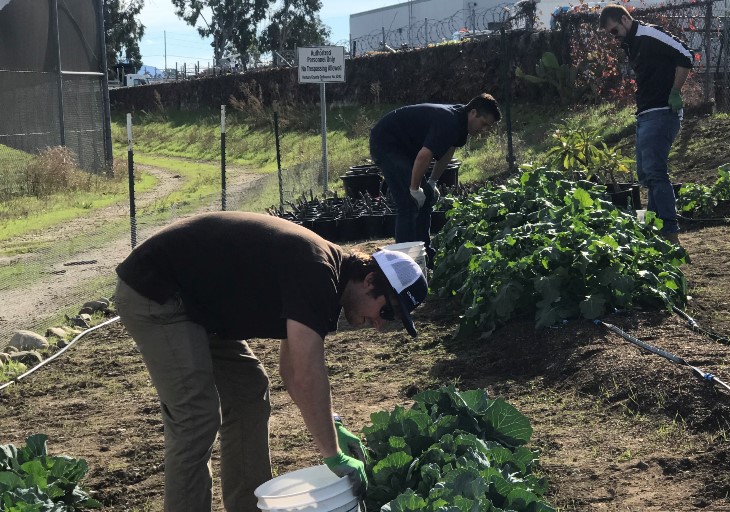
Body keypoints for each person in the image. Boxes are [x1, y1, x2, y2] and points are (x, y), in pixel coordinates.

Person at [112, 211, 428, 512]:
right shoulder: (318, 272)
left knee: (248, 388)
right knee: (196, 416)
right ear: (370, 281)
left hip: (198, 305)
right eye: (386, 312)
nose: (379, 325)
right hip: (158, 291)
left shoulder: (328, 277)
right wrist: (332, 453)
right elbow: (306, 374)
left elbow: (290, 372)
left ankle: (249, 507)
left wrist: (332, 423)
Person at [369, 93, 501, 266]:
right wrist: (414, 189)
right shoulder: (450, 121)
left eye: (488, 127)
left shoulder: (461, 124)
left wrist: (432, 182)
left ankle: (424, 252)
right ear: (473, 113)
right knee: (408, 203)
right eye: (484, 124)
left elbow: (447, 152)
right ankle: (404, 262)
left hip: (406, 149)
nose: (484, 130)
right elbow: (424, 156)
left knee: (428, 196)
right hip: (387, 143)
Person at [600, 4, 694, 236]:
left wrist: (675, 91)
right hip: (646, 114)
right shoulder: (631, 44)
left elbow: (686, 55)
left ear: (625, 19)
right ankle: (654, 228)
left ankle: (669, 231)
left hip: (662, 111)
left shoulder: (649, 34)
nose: (614, 37)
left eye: (614, 31)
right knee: (645, 174)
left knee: (655, 172)